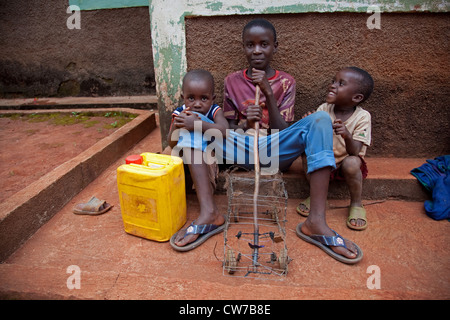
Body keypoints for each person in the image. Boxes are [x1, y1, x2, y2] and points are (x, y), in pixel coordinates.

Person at [296, 67, 374, 231]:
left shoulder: (362, 116)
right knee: (305, 153)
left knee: (352, 163)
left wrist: (347, 135)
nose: (333, 85)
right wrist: (309, 125)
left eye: (341, 83)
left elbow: (355, 152)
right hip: (323, 163)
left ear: (356, 97)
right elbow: (312, 141)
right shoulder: (324, 109)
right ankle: (317, 197)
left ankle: (356, 203)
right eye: (333, 81)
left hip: (345, 163)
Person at [168, 69, 228, 251]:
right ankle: (208, 211)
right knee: (186, 129)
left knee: (193, 125)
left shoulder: (214, 110)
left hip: (212, 155)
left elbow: (224, 131)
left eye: (204, 98)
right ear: (183, 97)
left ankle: (209, 212)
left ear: (213, 98)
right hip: (188, 154)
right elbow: (171, 142)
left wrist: (196, 124)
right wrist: (178, 125)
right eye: (191, 98)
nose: (197, 104)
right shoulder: (180, 112)